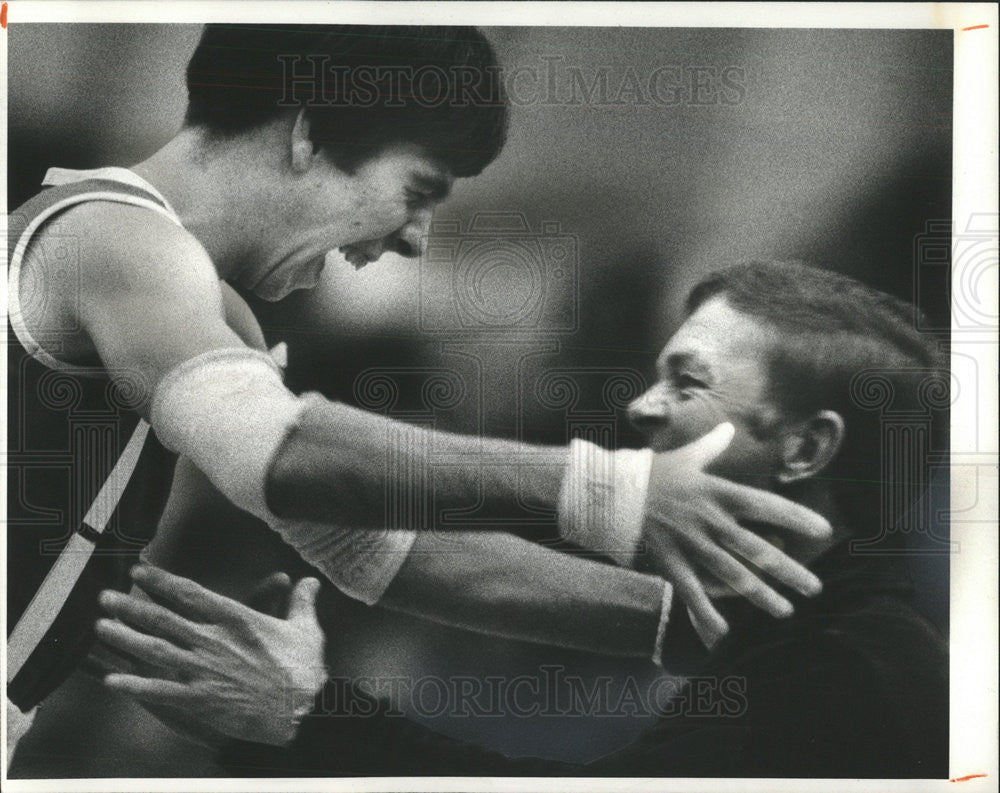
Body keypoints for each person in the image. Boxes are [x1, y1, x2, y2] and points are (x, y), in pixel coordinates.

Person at [5, 24, 829, 750]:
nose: (414, 241)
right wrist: (614, 490)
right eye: (418, 190)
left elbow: (384, 544)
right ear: (310, 132)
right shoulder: (108, 236)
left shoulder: (206, 309)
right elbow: (271, 449)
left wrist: (692, 624)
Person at [94, 262, 949, 777]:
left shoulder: (849, 671)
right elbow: (435, 560)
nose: (642, 405)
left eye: (687, 382)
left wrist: (305, 718)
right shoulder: (808, 623)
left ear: (805, 450)